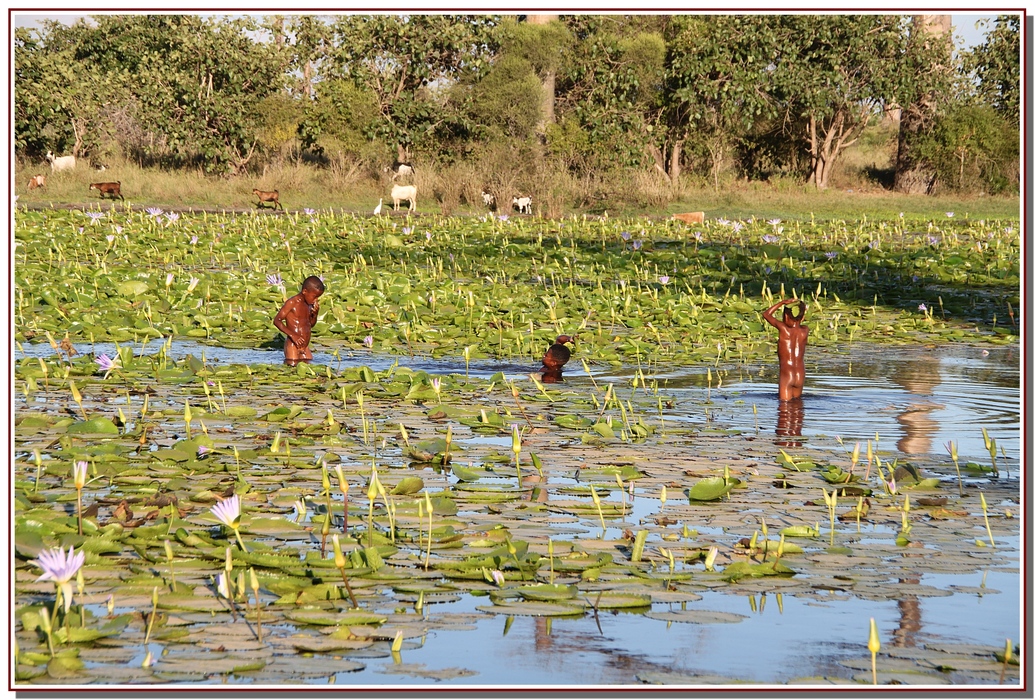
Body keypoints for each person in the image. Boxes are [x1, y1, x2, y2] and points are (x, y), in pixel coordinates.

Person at [762, 298, 808, 400]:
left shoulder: (784, 329)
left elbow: (766, 314)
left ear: (786, 316)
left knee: (784, 407)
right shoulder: (805, 330)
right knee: (797, 407)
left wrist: (782, 302)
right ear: (803, 317)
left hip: (787, 375)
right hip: (800, 374)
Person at [273, 276, 324, 366]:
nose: (316, 300)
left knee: (309, 366)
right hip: (293, 344)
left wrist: (315, 314)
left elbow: (310, 325)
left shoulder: (309, 304)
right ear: (304, 291)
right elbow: (277, 320)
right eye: (314, 297)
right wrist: (293, 336)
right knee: (292, 366)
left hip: (305, 345)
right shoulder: (292, 303)